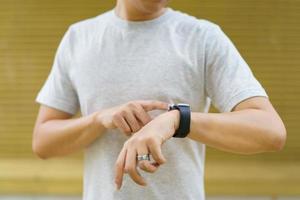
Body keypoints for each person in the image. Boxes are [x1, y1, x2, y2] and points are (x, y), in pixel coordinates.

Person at [32, 0, 287, 199]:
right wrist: (99, 119)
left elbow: (270, 131)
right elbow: (43, 141)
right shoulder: (78, 39)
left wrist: (177, 120)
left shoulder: (203, 38)